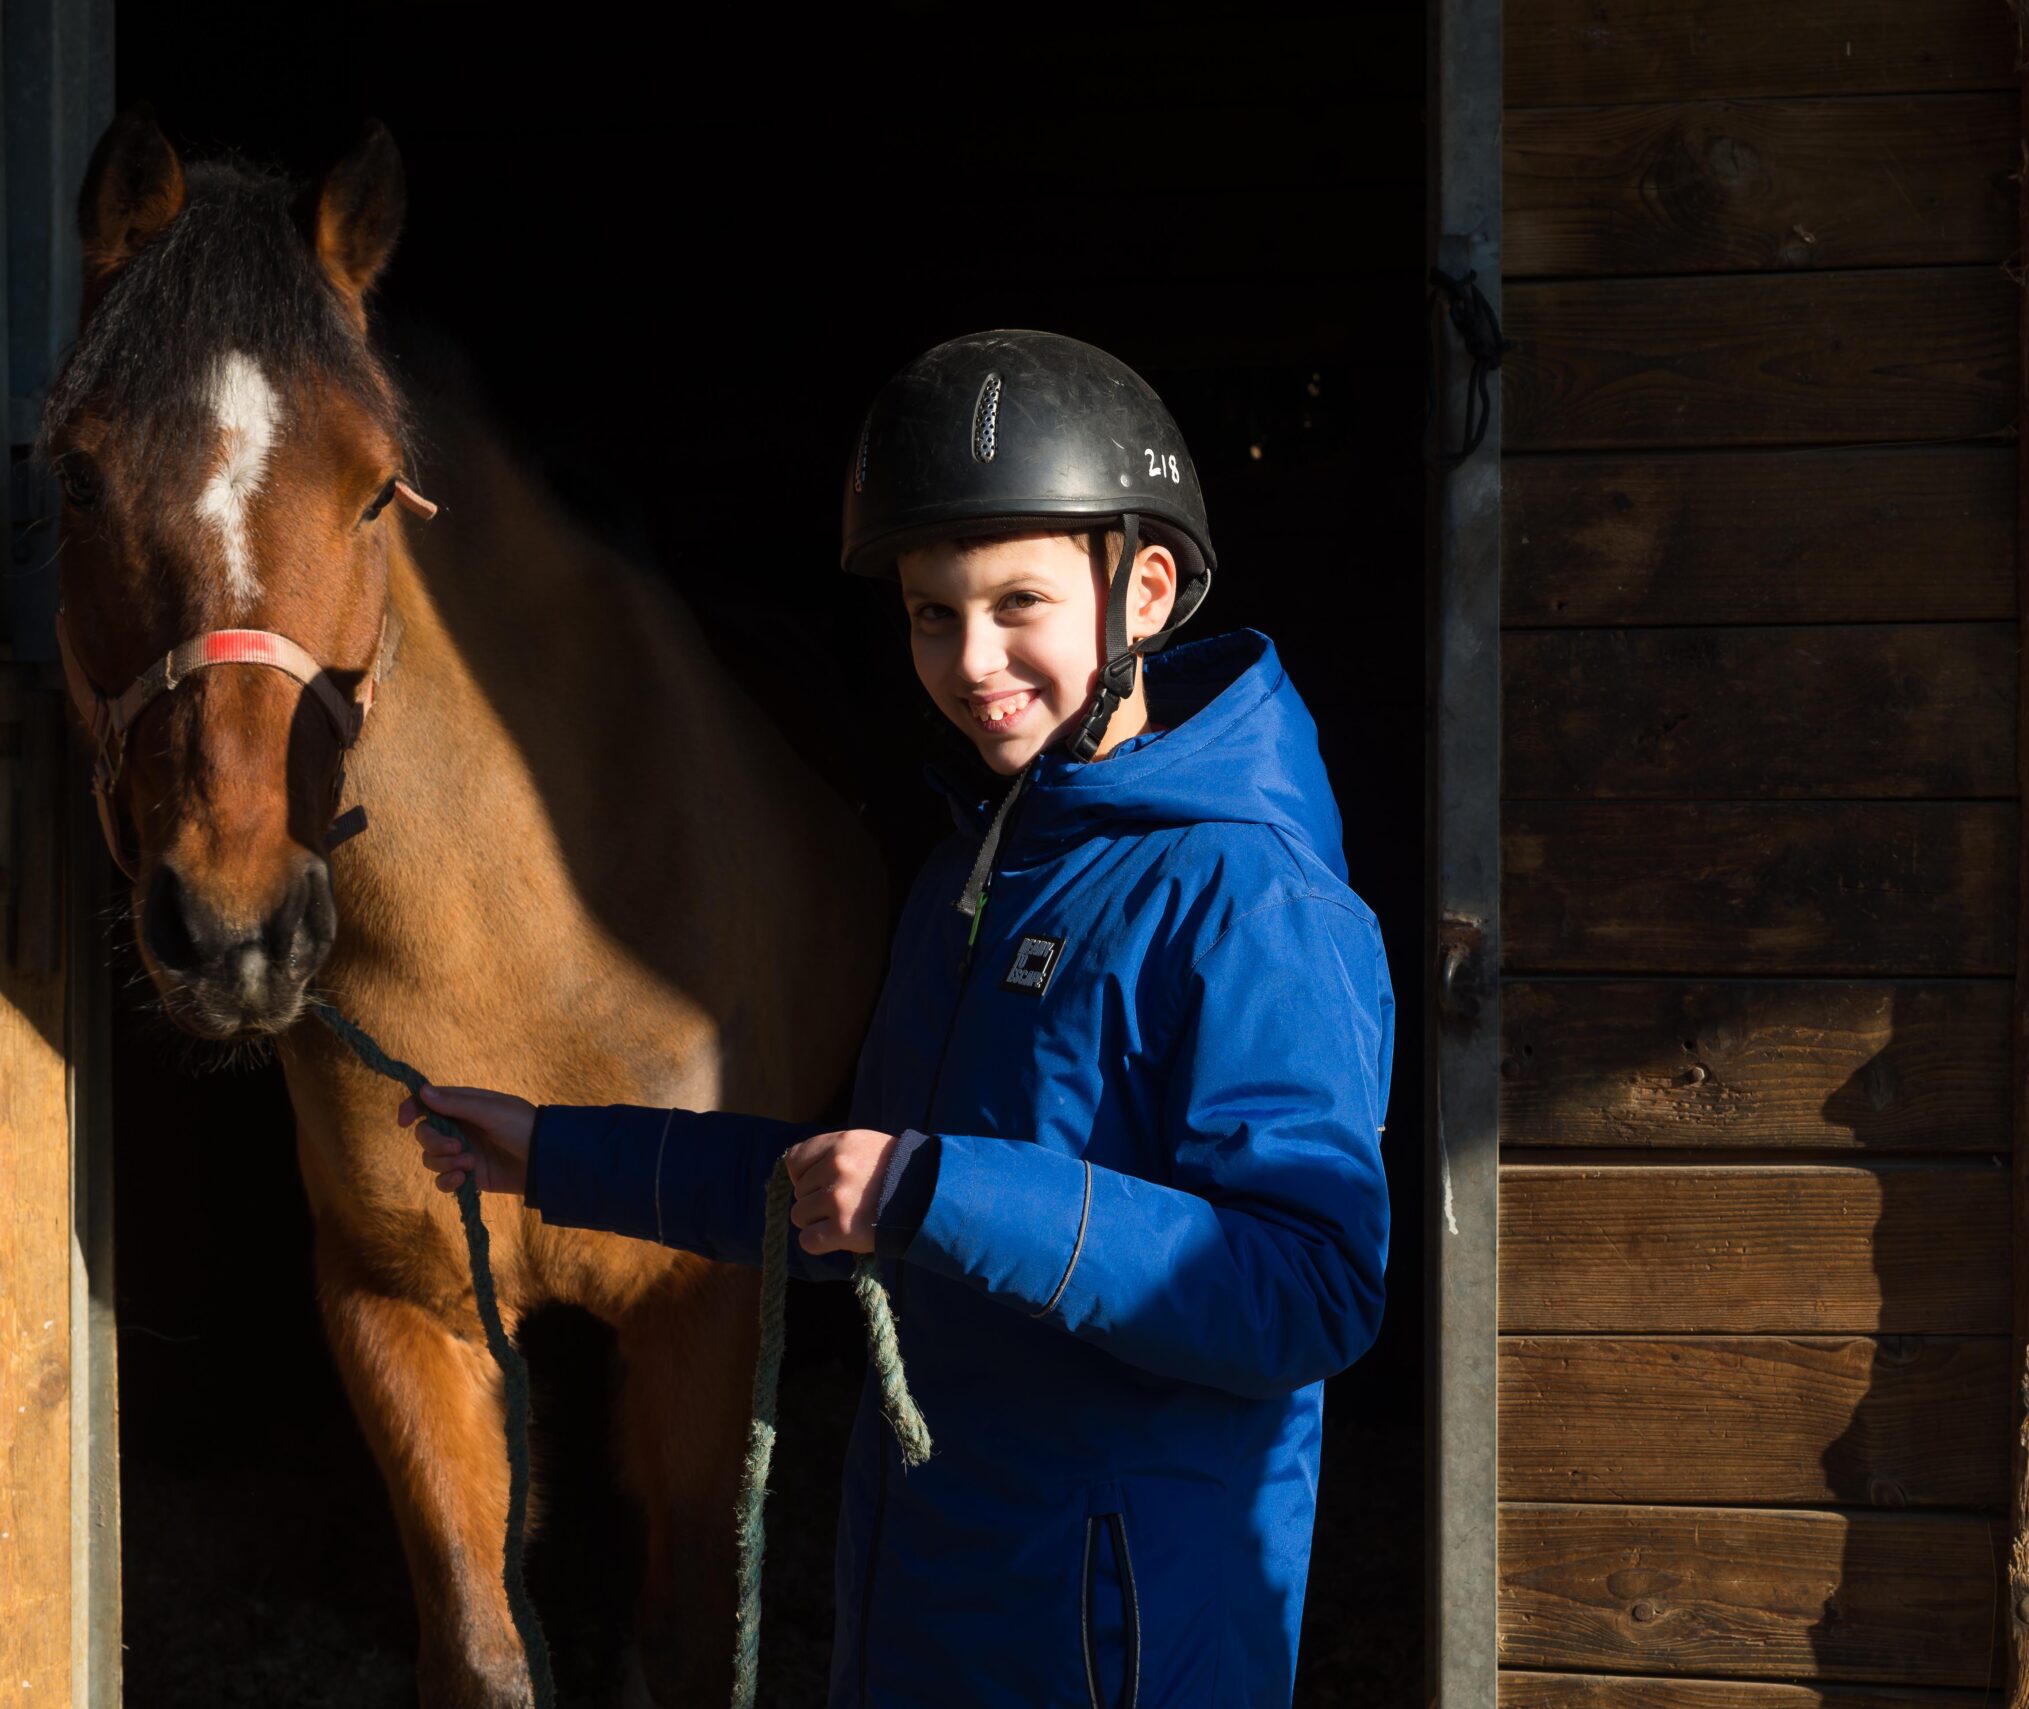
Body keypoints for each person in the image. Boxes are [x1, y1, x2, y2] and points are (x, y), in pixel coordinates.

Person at [402, 328, 1395, 1707]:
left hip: (1124, 1639)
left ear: (1146, 588)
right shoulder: (971, 865)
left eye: (1018, 604)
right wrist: (552, 1153)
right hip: (930, 1604)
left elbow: (1314, 1284)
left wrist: (944, 1190)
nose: (974, 658)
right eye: (933, 612)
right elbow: (848, 1191)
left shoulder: (1252, 895)